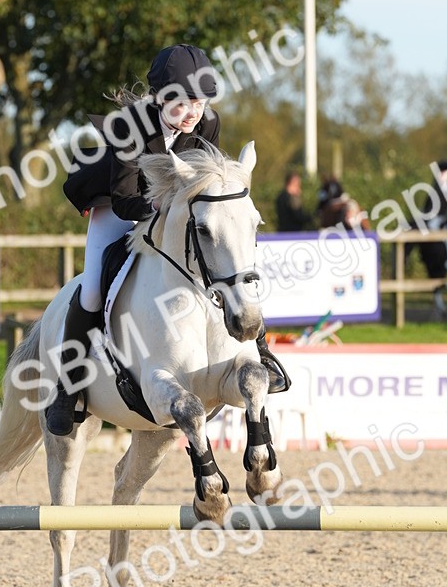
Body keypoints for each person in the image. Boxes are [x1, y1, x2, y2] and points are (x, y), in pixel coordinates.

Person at [46, 43, 290, 437]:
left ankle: (260, 352)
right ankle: (66, 386)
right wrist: (164, 207)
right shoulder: (129, 127)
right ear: (159, 98)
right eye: (182, 103)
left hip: (175, 211)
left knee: (226, 265)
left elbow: (207, 181)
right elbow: (125, 198)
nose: (193, 112)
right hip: (121, 206)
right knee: (92, 290)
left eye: (200, 102)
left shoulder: (208, 124)